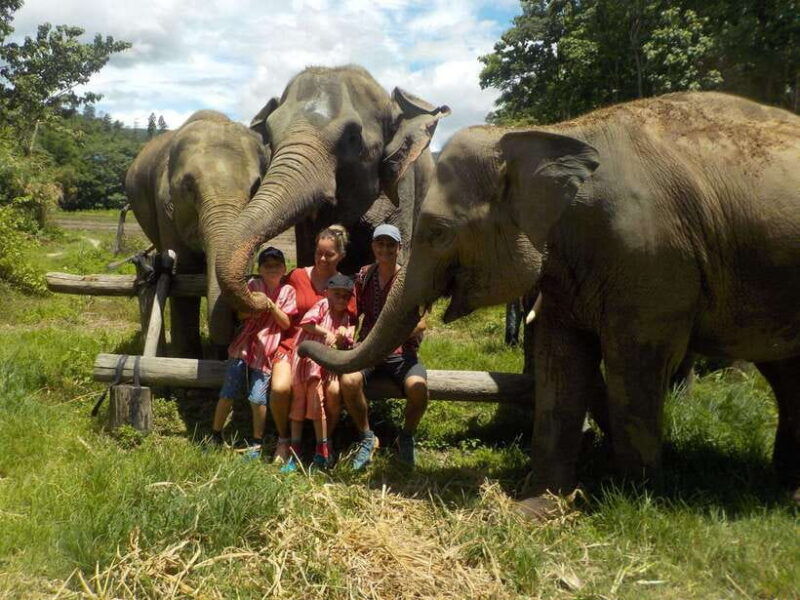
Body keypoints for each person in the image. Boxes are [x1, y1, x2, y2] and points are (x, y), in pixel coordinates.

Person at [339, 224, 429, 470]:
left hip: (402, 353)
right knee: (348, 381)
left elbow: (422, 323)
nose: (385, 249)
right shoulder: (364, 275)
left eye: (391, 245)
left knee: (419, 389)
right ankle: (367, 436)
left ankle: (406, 436)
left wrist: (391, 336)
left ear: (399, 248)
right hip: (368, 349)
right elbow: (353, 312)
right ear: (373, 246)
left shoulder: (410, 280)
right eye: (380, 244)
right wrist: (346, 330)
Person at [270, 225, 355, 463]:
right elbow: (275, 293)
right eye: (319, 252)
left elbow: (350, 322)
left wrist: (341, 335)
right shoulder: (297, 276)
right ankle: (284, 440)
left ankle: (325, 442)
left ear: (341, 255)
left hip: (327, 353)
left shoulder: (344, 286)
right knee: (280, 388)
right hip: (293, 345)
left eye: (329, 254)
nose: (323, 259)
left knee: (334, 392)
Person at [210, 247, 297, 459]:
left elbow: (286, 323)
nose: (272, 269)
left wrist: (271, 306)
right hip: (243, 346)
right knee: (228, 391)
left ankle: (257, 443)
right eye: (267, 265)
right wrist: (254, 307)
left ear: (284, 268)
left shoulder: (288, 291)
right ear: (260, 269)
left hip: (267, 349)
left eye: (276, 265)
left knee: (257, 398)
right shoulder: (252, 285)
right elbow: (240, 314)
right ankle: (215, 435)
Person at [283, 273, 356, 472]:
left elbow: (343, 343)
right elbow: (306, 323)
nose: (341, 299)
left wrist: (342, 335)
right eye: (337, 294)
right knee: (298, 403)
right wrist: (327, 333)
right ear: (327, 293)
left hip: (324, 366)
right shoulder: (323, 305)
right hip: (306, 361)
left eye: (345, 296)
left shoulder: (346, 317)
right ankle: (297, 449)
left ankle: (321, 447)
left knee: (317, 401)